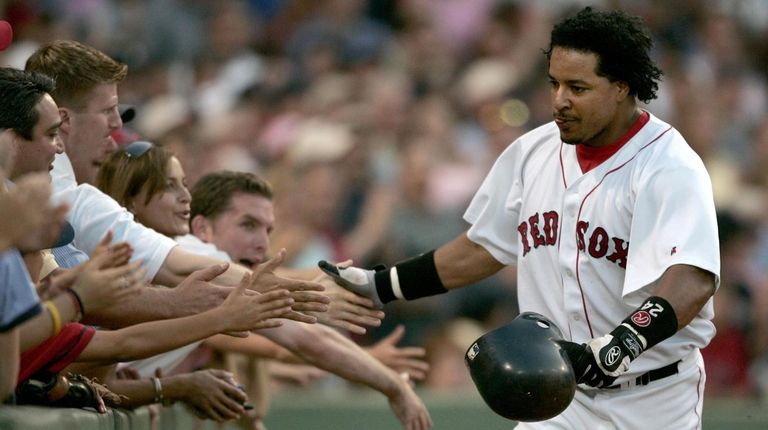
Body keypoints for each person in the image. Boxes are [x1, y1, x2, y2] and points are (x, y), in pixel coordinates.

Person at [321, 7, 719, 429]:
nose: (559, 100)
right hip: (561, 402)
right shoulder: (533, 152)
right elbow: (483, 247)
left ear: (621, 87)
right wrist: (383, 285)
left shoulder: (668, 165)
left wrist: (620, 344)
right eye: (554, 83)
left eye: (578, 88)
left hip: (654, 399)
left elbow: (691, 279)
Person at [95, 146, 433, 429]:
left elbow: (277, 302)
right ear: (203, 228)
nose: (261, 243)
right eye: (248, 225)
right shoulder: (195, 254)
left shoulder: (187, 255)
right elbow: (299, 341)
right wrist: (390, 383)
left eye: (267, 229)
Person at [23, 40, 325, 306]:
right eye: (107, 111)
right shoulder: (64, 198)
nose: (117, 125)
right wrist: (314, 293)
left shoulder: (60, 191)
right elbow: (173, 271)